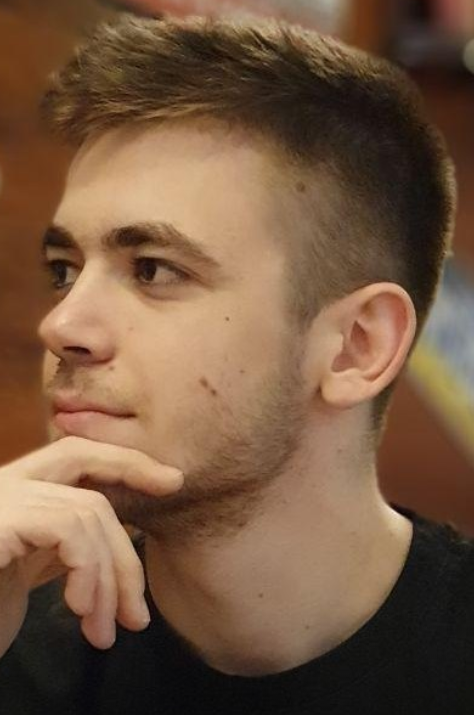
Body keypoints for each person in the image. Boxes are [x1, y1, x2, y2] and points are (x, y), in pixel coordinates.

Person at [0, 11, 471, 715]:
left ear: (357, 346)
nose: (62, 324)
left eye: (153, 269)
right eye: (64, 270)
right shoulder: (15, 645)